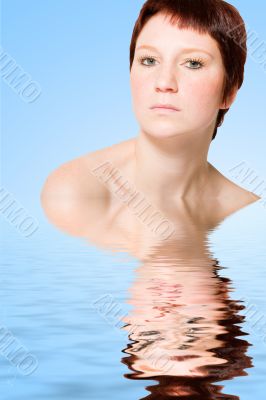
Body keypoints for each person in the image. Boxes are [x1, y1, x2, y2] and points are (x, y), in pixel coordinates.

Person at [40, 0, 261, 244]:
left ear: (228, 92)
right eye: (149, 60)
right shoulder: (73, 196)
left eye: (193, 63)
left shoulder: (247, 213)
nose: (164, 82)